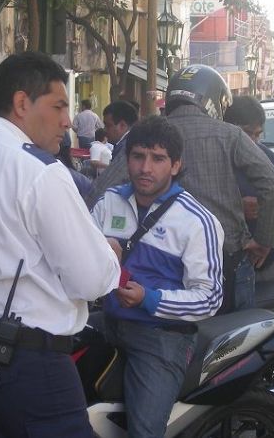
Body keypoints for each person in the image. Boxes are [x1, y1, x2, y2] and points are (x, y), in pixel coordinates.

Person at [0, 51, 121, 437]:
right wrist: (110, 253)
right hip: (23, 360)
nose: (67, 121)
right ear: (21, 103)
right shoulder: (39, 172)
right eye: (59, 105)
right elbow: (93, 279)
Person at [89, 64, 274, 314]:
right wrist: (264, 241)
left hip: (163, 265)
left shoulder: (147, 137)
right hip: (230, 262)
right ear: (215, 101)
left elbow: (98, 192)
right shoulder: (230, 135)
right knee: (233, 344)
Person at [91, 115, 223, 437]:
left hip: (161, 338)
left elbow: (210, 297)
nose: (145, 168)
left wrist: (148, 298)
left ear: (175, 165)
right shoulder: (109, 203)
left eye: (158, 158)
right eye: (138, 156)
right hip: (107, 323)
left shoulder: (196, 221)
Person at [223, 95, 274, 289]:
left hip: (269, 266)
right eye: (248, 133)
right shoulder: (217, 159)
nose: (254, 141)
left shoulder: (265, 155)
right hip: (229, 271)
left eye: (258, 134)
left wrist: (268, 202)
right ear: (228, 129)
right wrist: (237, 206)